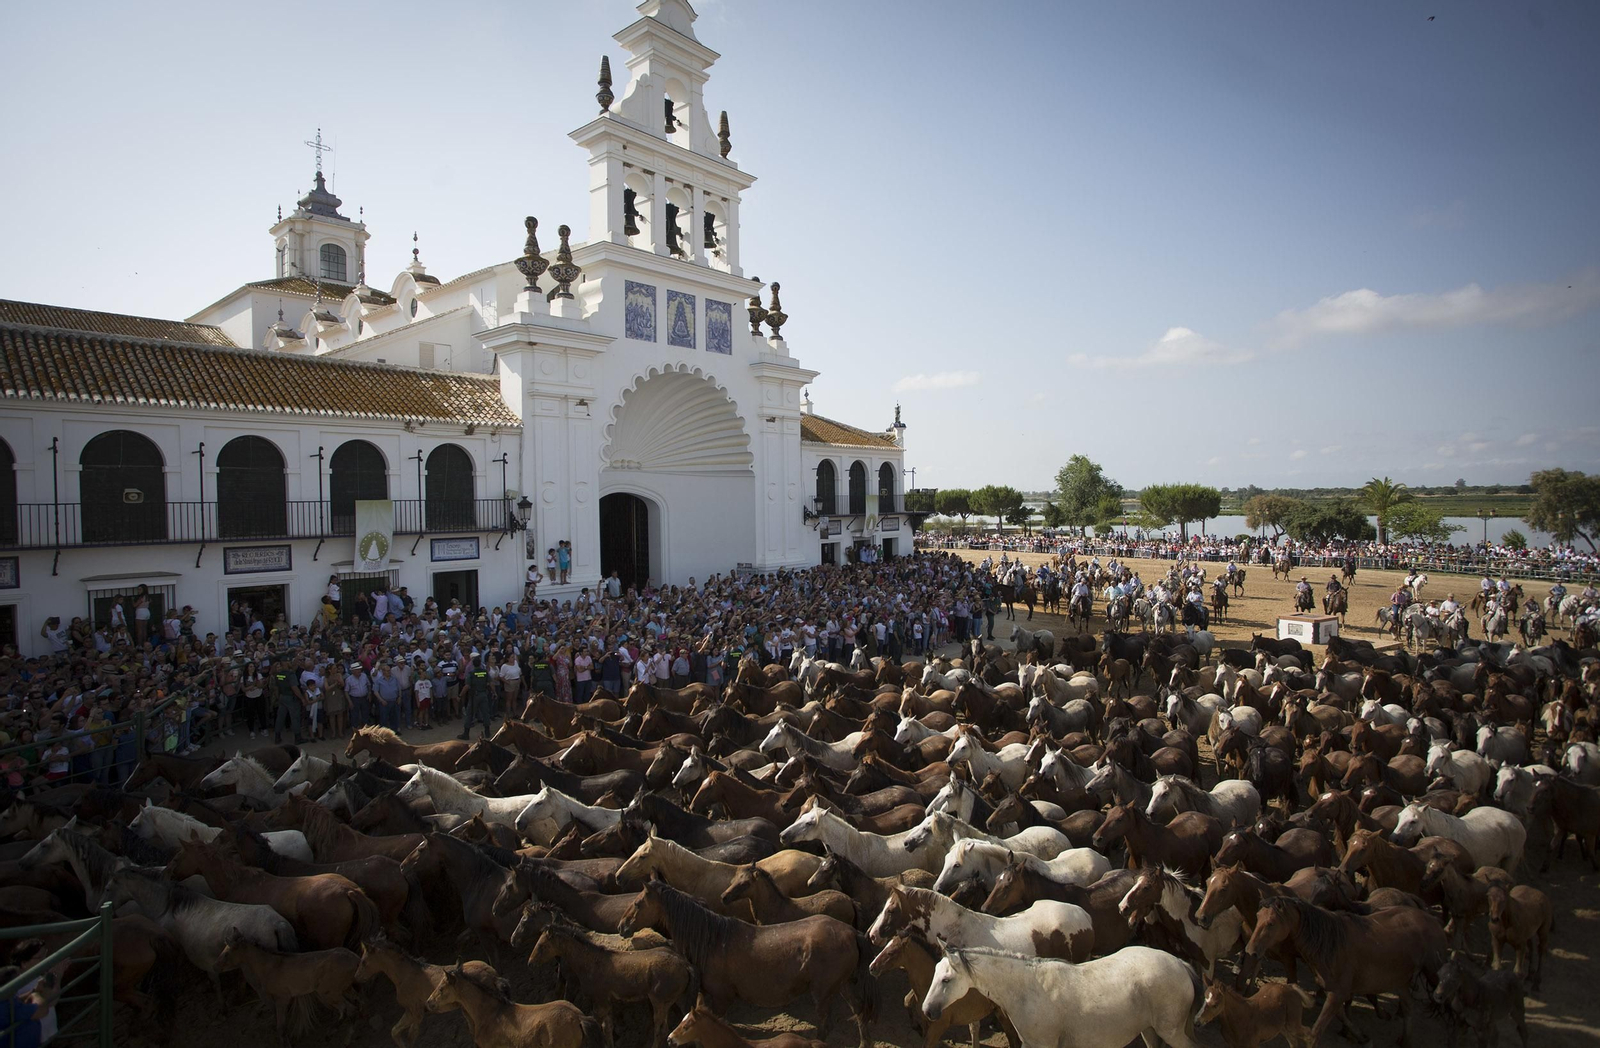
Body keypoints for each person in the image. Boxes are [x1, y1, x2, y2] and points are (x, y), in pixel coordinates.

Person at [272, 654, 305, 745]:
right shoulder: (291, 675)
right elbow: (294, 687)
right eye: (289, 661)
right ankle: (298, 737)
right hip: (291, 697)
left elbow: (276, 688)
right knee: (295, 718)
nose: (290, 663)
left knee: (280, 717)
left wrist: (279, 697)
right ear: (285, 663)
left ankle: (277, 736)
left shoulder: (278, 674)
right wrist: (302, 698)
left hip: (282, 696)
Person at [461, 654, 494, 740]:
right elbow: (491, 683)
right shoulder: (484, 672)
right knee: (485, 713)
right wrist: (494, 692)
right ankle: (487, 731)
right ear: (480, 663)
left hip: (474, 696)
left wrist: (460, 695)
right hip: (483, 694)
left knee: (470, 714)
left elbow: (467, 686)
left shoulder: (471, 674)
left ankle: (466, 733)